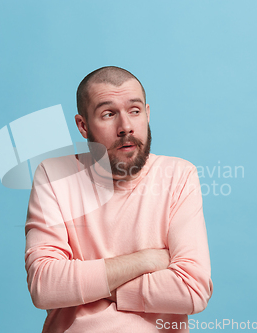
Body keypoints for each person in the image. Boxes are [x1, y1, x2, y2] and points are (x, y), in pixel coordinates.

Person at [25, 66, 213, 332]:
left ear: (147, 114)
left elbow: (192, 289)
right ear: (83, 125)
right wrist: (145, 261)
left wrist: (88, 286)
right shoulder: (54, 175)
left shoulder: (178, 176)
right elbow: (45, 286)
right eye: (108, 114)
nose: (126, 127)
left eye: (135, 111)